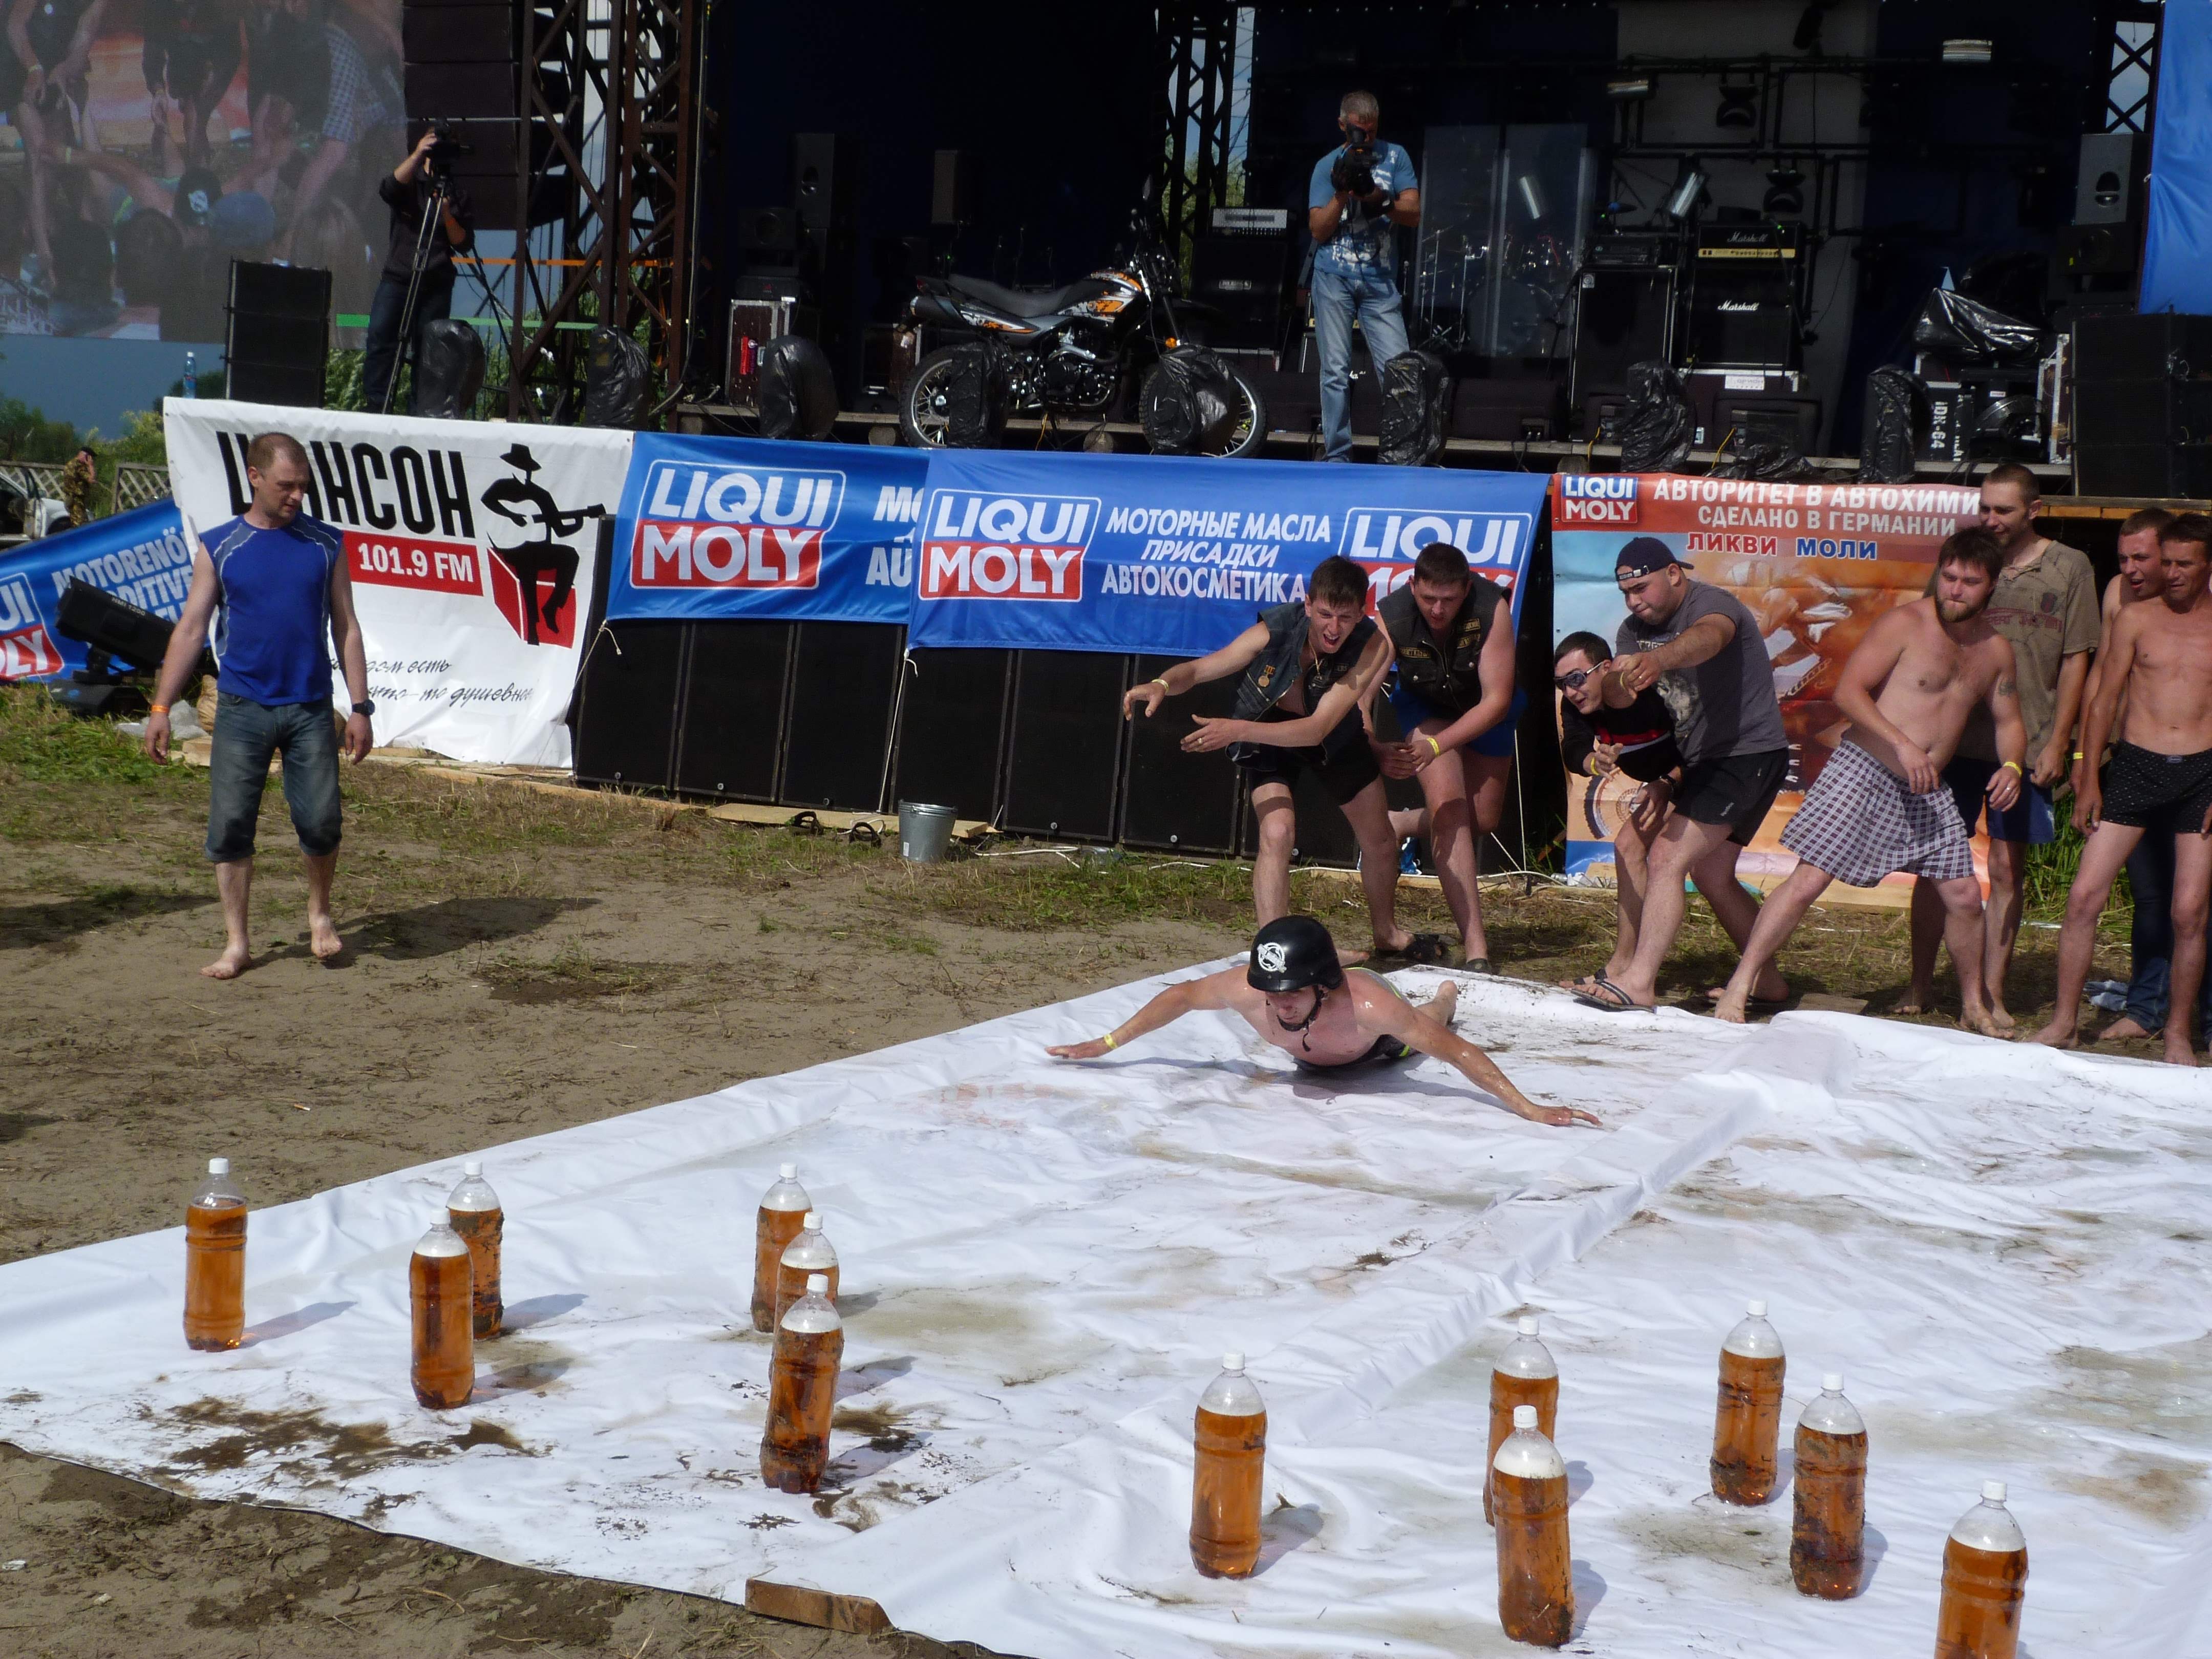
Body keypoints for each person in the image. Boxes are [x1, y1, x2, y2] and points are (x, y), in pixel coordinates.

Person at [1712, 529, 2025, 1030]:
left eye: (1969, 582)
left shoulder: (1995, 650)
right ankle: (1741, 983)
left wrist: (2011, 766)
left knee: (1965, 896)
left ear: (1991, 586)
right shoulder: (1906, 623)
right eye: (1949, 577)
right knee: (1808, 880)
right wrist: (1902, 743)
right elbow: (1850, 693)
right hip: (1865, 767)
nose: (1955, 590)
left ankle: (1973, 1006)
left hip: (1927, 786)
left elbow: (2010, 722)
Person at [1123, 556, 1438, 962]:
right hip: (1269, 728)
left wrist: (1236, 730)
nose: (1333, 628)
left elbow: (1318, 729)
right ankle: (1274, 950)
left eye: (1345, 617)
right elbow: (1201, 670)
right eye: (1325, 614)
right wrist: (1163, 683)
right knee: (1276, 832)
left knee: (1378, 839)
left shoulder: (1372, 644)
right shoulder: (1277, 627)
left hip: (1330, 734)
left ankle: (1387, 935)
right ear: (1308, 605)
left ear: (1361, 613)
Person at [141, 432, 375, 979]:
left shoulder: (325, 544)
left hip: (309, 707)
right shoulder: (221, 546)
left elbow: (347, 627)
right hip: (242, 708)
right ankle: (237, 943)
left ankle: (320, 914)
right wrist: (161, 707)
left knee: (321, 821)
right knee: (230, 825)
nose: (297, 496)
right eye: (286, 485)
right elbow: (192, 628)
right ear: (254, 477)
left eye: (304, 487)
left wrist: (361, 707)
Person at [1047, 916, 1598, 1128]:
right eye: (1274, 994)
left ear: (1323, 985)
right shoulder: (1249, 990)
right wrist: (1106, 1042)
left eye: (1293, 994)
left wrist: (1529, 1108)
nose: (1280, 1006)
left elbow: (1456, 1053)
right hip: (1322, 1048)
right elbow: (1181, 997)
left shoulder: (1369, 1010)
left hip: (1371, 1046)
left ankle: (1447, 991)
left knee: (1429, 1023)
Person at [1901, 462, 2097, 1028]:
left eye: (2004, 510)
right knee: (1935, 867)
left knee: (2009, 872)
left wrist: (2060, 742)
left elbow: (2077, 659)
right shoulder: (1965, 561)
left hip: (2026, 744)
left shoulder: (2070, 567)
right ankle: (1920, 983)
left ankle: (1990, 992)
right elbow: (1929, 631)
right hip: (1955, 743)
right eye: (1984, 508)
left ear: (2034, 510)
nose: (1991, 519)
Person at [1570, 537, 1790, 1012]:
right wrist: (1616, 683)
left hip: (1745, 753)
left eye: (1641, 589)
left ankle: (1640, 982)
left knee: (1669, 856)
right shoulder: (1631, 631)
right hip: (1697, 762)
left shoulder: (1712, 604)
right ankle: (1767, 983)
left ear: (1674, 575)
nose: (1634, 602)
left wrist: (1658, 660)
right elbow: (1625, 697)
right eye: (1626, 593)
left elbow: (1710, 638)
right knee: (1700, 870)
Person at [2032, 514, 2212, 1066]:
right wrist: (2088, 776)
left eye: (2185, 564)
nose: (2172, 573)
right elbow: (2104, 699)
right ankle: (2065, 1021)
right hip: (2136, 765)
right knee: (2084, 896)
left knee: (2189, 911)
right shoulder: (2136, 617)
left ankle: (2178, 1033)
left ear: (2207, 566)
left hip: (2202, 773)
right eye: (2168, 562)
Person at [1367, 541, 1519, 970]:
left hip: (1483, 709)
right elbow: (1361, 692)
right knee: (1451, 811)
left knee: (1482, 820)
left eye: (1449, 600)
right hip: (1426, 707)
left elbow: (1496, 702)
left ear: (1466, 589)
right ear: (1413, 585)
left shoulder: (1492, 607)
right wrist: (1372, 743)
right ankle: (1477, 950)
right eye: (1429, 598)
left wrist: (1435, 746)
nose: (1437, 609)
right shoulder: (1392, 614)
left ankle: (1402, 823)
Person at [1551, 629, 1684, 1000]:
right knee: (1631, 849)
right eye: (1562, 684)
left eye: (1577, 678)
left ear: (1607, 669)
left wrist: (1668, 783)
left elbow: (1699, 746)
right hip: (1670, 781)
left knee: (1708, 874)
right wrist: (1594, 761)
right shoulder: (1577, 705)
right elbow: (1573, 748)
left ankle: (1629, 969)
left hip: (1700, 774)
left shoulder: (1650, 696)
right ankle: (1623, 965)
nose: (1571, 691)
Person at [1307, 90, 1418, 463]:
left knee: (1400, 370)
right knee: (1335, 370)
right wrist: (1341, 194)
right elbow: (1318, 230)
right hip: (1333, 277)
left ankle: (1403, 451)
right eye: (1359, 131)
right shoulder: (1327, 165)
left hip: (1379, 279)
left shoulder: (1396, 156)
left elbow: (1414, 213)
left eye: (1371, 132)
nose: (1366, 139)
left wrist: (1377, 197)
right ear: (1343, 126)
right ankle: (1338, 453)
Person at [364, 123, 475, 414]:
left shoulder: (457, 193)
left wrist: (447, 213)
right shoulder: (410, 182)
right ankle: (377, 405)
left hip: (436, 281)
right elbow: (387, 189)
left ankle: (420, 411)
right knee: (381, 338)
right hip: (399, 275)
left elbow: (463, 243)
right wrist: (417, 155)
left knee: (430, 352)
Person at [58, 443, 97, 525]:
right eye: (91, 458)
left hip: (70, 498)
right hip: (77, 500)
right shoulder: (80, 466)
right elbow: (91, 479)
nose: (92, 460)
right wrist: (91, 466)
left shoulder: (71, 463)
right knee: (81, 524)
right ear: (86, 456)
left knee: (75, 522)